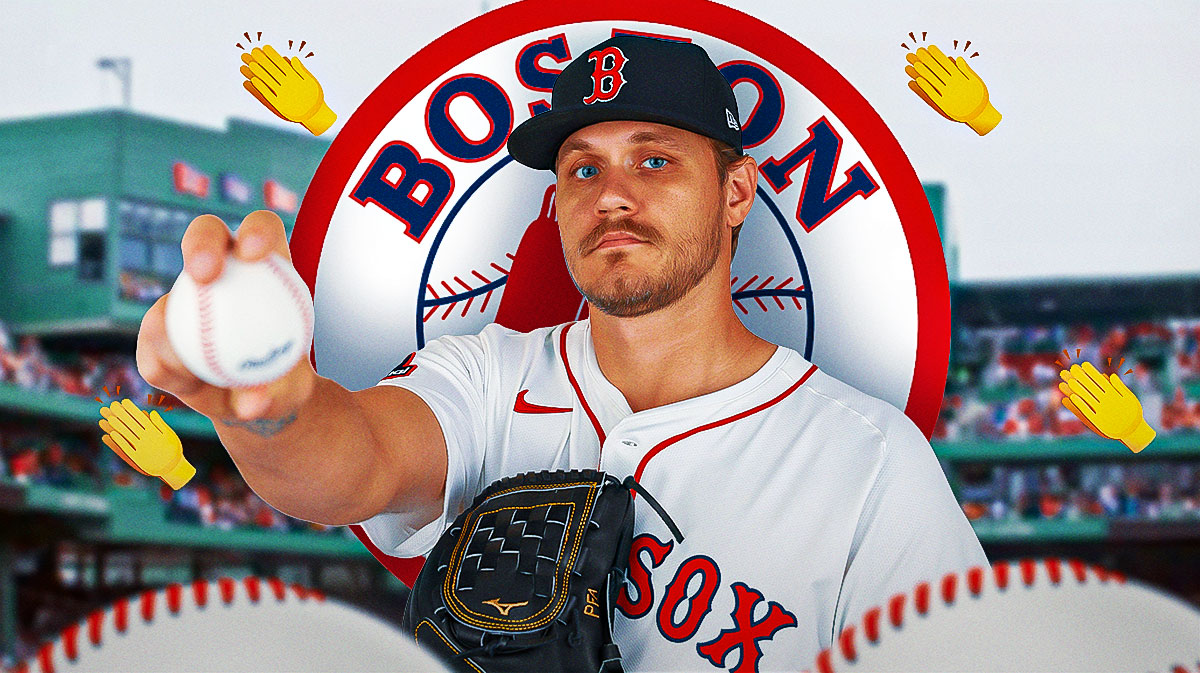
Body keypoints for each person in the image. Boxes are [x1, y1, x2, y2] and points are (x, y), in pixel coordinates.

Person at [136, 35, 987, 671]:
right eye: (583, 169)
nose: (612, 194)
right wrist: (269, 411)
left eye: (654, 160)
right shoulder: (488, 377)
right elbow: (349, 461)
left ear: (736, 192)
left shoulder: (869, 461)